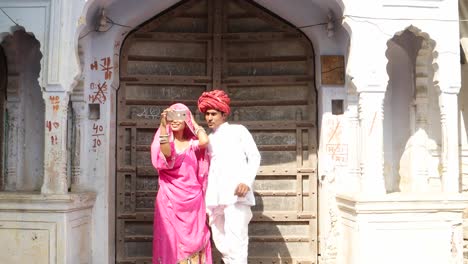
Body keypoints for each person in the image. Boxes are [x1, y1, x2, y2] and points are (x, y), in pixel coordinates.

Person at [197, 90, 261, 264]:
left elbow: (254, 157)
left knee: (237, 243)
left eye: (213, 114)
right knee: (222, 243)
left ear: (223, 114)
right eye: (206, 114)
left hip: (236, 195)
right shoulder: (208, 139)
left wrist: (246, 182)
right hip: (215, 197)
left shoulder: (238, 131)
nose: (209, 118)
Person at [150, 103, 212, 264]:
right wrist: (163, 126)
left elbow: (204, 141)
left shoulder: (193, 144)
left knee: (196, 240)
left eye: (181, 116)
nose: (176, 120)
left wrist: (194, 122)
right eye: (173, 116)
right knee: (170, 241)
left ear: (186, 120)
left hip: (193, 201)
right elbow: (167, 154)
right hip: (170, 201)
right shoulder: (165, 142)